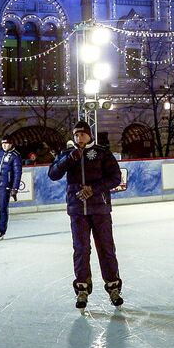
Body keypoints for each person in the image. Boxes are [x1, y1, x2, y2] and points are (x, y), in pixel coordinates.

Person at [48, 120, 124, 309]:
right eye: (76, 135)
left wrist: (94, 189)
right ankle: (82, 288)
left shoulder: (101, 153)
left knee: (106, 248)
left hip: (100, 209)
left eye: (82, 134)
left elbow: (115, 178)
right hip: (77, 210)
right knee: (81, 249)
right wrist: (69, 158)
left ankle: (113, 286)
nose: (79, 137)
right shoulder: (67, 154)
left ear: (90, 135)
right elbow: (53, 174)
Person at [0, 136, 24, 239]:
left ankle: (1, 231)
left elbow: (17, 173)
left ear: (11, 144)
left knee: (3, 208)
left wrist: (15, 188)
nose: (4, 145)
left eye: (6, 143)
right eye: (3, 143)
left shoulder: (15, 156)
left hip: (6, 185)